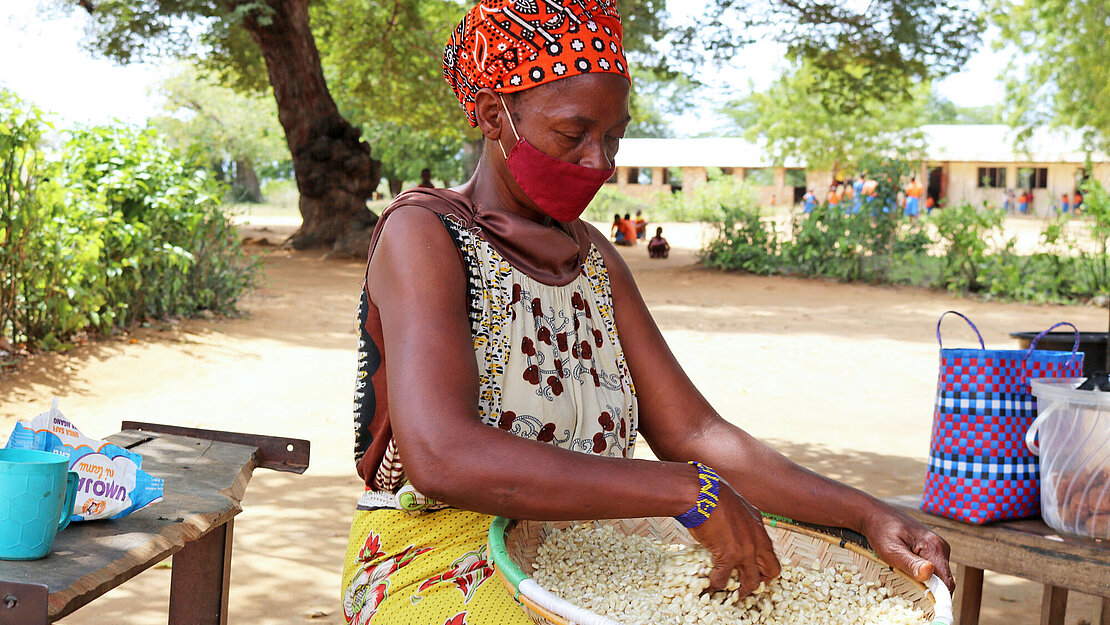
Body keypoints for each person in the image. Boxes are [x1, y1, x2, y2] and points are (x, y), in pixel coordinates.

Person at [342, 2, 954, 623]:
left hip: (583, 551)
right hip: (438, 557)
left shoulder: (596, 260)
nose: (597, 162)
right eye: (572, 133)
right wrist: (683, 491)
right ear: (494, 115)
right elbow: (443, 455)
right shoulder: (425, 234)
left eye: (613, 137)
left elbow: (694, 434)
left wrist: (866, 512)